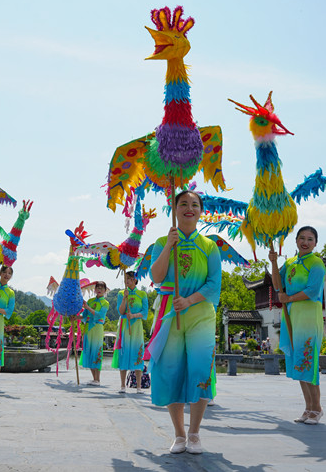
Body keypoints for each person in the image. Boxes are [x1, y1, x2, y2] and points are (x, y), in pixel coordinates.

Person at [147, 190, 221, 455]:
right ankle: (179, 434)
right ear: (174, 208)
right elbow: (156, 276)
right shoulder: (160, 241)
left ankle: (195, 433)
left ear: (201, 211)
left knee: (201, 371)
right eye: (183, 204)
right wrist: (168, 245)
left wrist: (189, 301)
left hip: (200, 313)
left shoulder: (210, 245)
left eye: (194, 204)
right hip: (169, 313)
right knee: (170, 370)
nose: (189, 208)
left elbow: (214, 284)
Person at [269, 225, 326, 427]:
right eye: (302, 238)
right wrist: (274, 263)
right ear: (296, 241)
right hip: (292, 315)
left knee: (309, 363)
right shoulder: (291, 262)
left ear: (315, 243)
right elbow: (277, 284)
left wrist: (289, 297)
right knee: (299, 361)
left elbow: (312, 290)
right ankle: (308, 407)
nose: (305, 242)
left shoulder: (317, 263)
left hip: (309, 316)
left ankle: (317, 408)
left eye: (310, 239)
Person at [113, 271, 148, 394]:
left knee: (138, 354)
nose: (126, 281)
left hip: (137, 327)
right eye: (125, 278)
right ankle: (122, 386)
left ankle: (139, 387)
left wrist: (133, 315)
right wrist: (124, 299)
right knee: (123, 353)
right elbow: (120, 311)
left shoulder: (142, 294)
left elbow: (145, 313)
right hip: (124, 327)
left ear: (135, 279)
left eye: (128, 278)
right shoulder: (121, 293)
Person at [81, 281, 109, 386]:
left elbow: (99, 315)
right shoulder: (90, 301)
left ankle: (98, 379)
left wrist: (87, 307)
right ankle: (94, 379)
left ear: (105, 290)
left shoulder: (105, 303)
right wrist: (75, 317)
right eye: (97, 287)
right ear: (95, 289)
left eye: (102, 288)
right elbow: (84, 316)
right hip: (88, 328)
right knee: (89, 352)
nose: (99, 289)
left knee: (97, 352)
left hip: (97, 328)